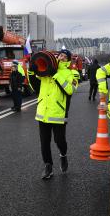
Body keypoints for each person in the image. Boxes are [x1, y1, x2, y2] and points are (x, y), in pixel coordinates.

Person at [32, 49, 78, 180]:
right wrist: (32, 69)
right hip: (43, 112)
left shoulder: (72, 73)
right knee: (44, 142)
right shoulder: (47, 68)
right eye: (60, 55)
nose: (61, 57)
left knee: (59, 140)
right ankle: (48, 166)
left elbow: (70, 90)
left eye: (64, 56)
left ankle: (63, 155)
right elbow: (35, 81)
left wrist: (56, 74)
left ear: (68, 60)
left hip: (58, 113)